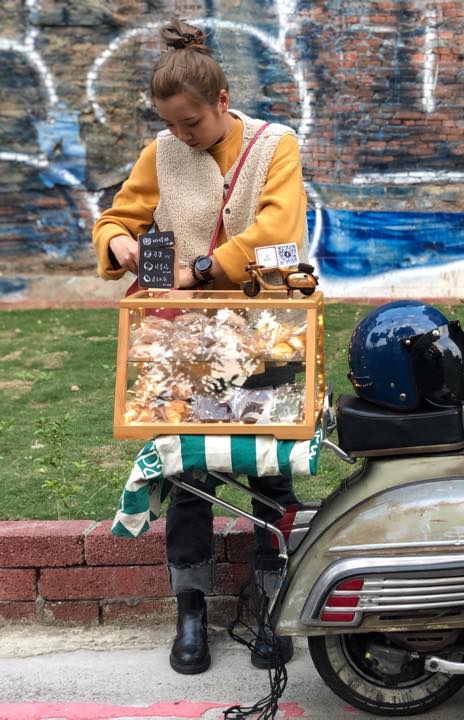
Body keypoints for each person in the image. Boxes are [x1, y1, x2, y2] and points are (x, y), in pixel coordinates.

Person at [91, 19, 306, 674]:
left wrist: (199, 270)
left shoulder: (276, 146)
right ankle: (190, 611)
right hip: (183, 338)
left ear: (222, 100)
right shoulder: (161, 152)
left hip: (265, 332)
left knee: (269, 470)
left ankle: (273, 603)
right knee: (187, 475)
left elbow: (278, 233)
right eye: (171, 124)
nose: (182, 135)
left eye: (192, 122)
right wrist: (119, 241)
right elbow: (117, 217)